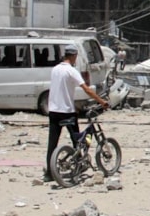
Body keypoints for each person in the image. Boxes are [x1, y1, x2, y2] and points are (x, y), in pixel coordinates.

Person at [44, 45, 109, 182]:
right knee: (78, 141)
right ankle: (79, 166)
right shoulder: (71, 71)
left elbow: (61, 90)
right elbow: (87, 89)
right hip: (66, 112)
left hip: (53, 110)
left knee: (52, 143)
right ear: (73, 56)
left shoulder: (55, 69)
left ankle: (49, 173)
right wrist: (102, 101)